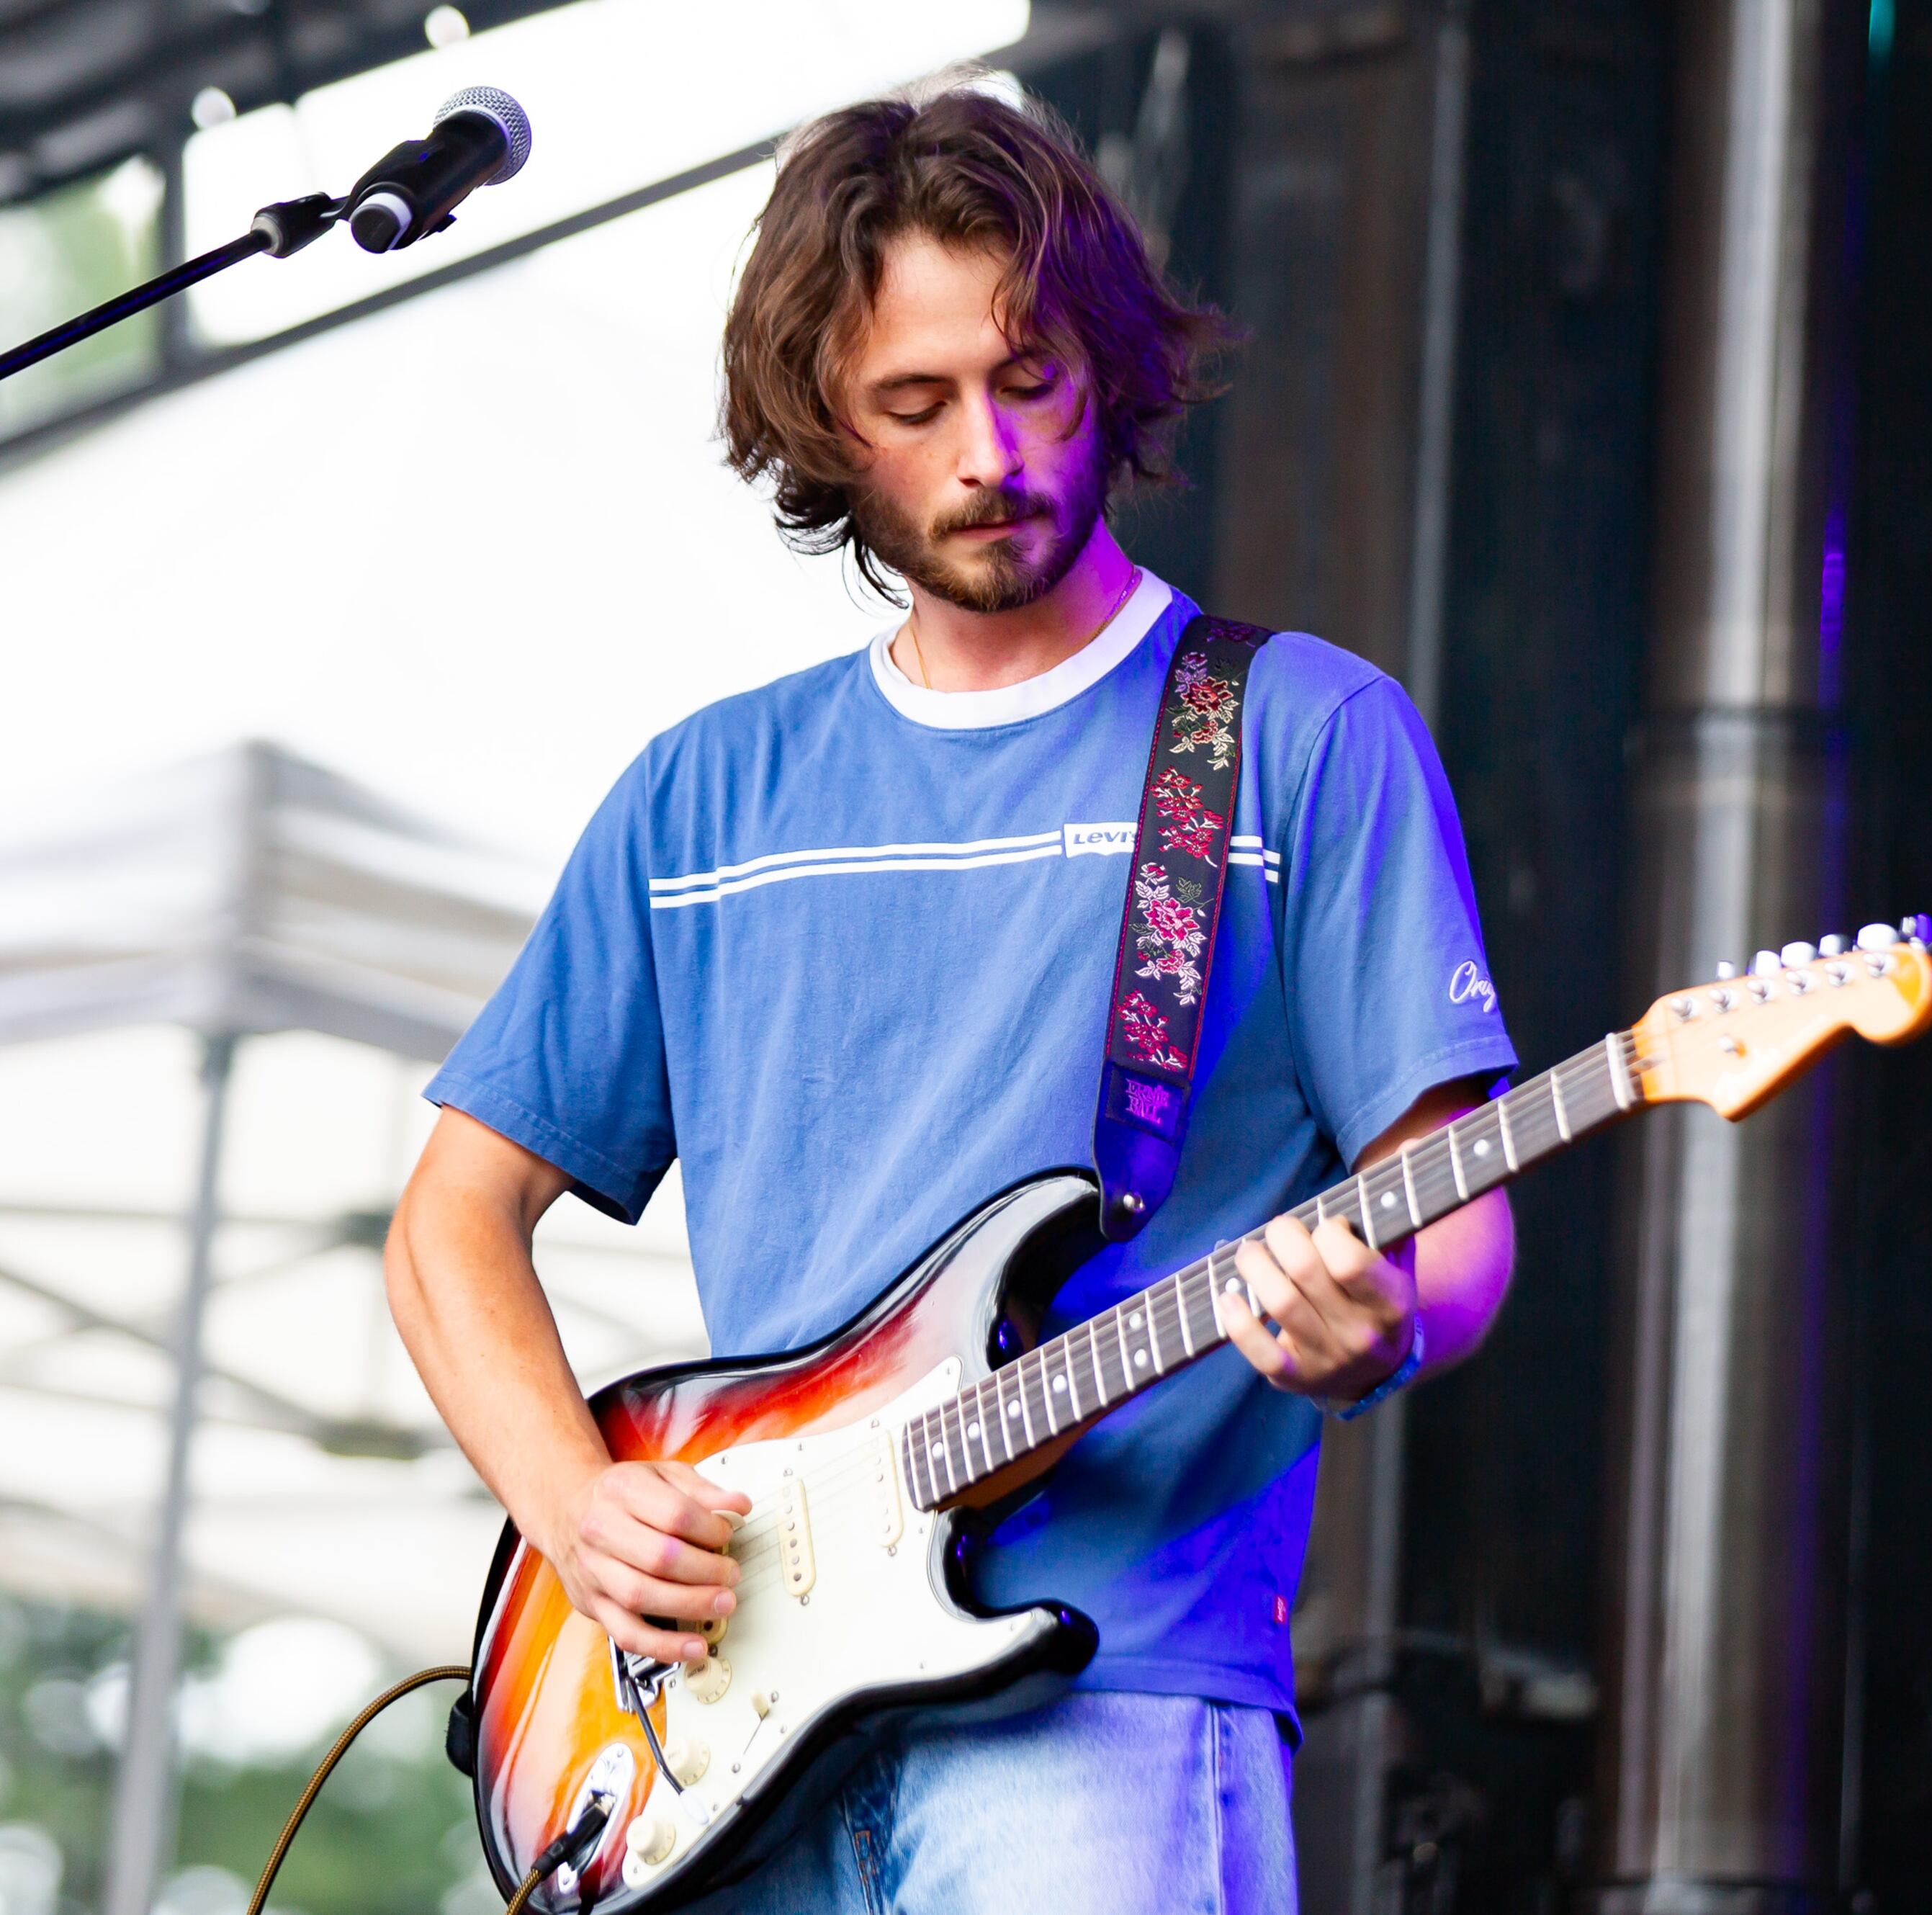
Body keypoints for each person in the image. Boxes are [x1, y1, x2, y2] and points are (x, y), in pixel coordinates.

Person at [382, 73, 1517, 1915]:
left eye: (1032, 378)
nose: (990, 450)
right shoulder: (707, 796)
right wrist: (572, 1504)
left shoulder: (1298, 735)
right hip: (727, 1725)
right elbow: (452, 1220)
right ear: (824, 425)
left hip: (1112, 1693)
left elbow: (1452, 1214)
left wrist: (1385, 1319)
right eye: (915, 404)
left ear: (1110, 371)